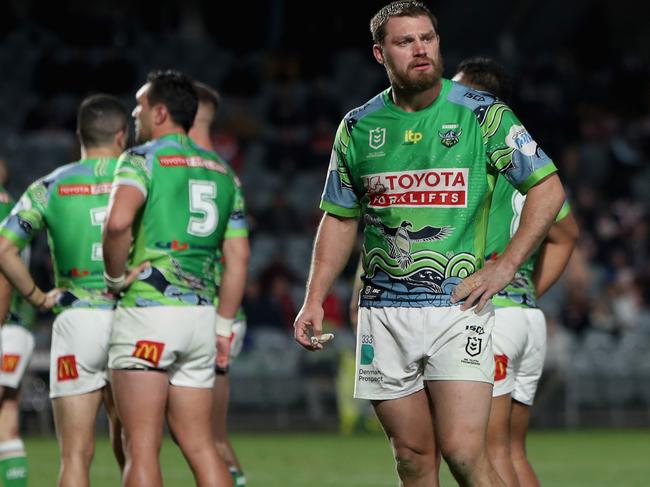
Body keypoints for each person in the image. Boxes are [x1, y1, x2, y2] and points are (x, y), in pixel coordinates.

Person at [293, 2, 566, 486]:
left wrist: (504, 269)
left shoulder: (483, 115)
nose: (420, 49)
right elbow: (338, 218)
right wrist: (314, 297)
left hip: (456, 307)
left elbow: (548, 189)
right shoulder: (357, 126)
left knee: (464, 451)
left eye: (428, 38)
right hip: (383, 312)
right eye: (405, 41)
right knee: (413, 458)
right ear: (380, 54)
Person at [103, 70, 236, 487]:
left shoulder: (141, 158)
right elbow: (238, 254)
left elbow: (117, 222)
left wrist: (115, 275)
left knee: (141, 445)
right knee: (201, 445)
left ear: (160, 112)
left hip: (149, 310)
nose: (134, 115)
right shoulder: (222, 170)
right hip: (199, 316)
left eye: (139, 106)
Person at [453, 57, 579, 486]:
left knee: (487, 453)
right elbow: (567, 235)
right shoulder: (528, 158)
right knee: (511, 451)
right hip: (526, 317)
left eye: (456, 90)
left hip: (495, 317)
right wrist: (528, 289)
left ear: (474, 97)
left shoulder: (480, 154)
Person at [0, 94, 129, 486]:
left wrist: (38, 297)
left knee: (74, 457)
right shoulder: (142, 181)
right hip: (131, 318)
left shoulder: (50, 186)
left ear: (79, 136)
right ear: (123, 137)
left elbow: (4, 249)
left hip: (76, 321)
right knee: (136, 451)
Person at [189, 81, 250, 487]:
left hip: (199, 309)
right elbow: (239, 249)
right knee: (207, 436)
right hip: (224, 313)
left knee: (201, 437)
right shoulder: (225, 173)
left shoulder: (164, 166)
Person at [0, 182, 34, 487]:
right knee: (6, 419)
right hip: (19, 325)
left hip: (5, 324)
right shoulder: (14, 209)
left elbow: (3, 273)